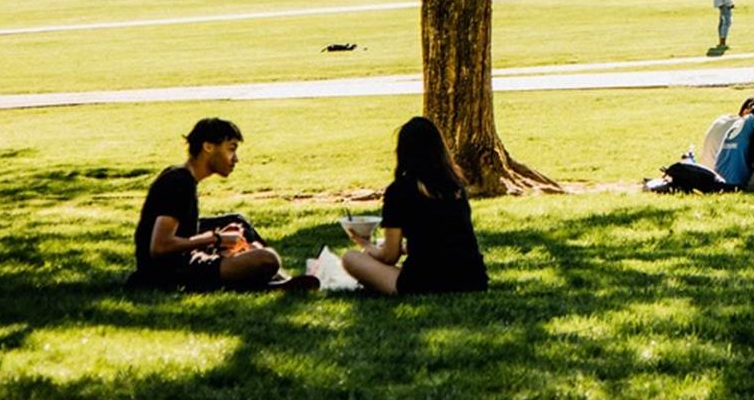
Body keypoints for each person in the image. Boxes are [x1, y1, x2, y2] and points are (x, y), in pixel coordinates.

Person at [129, 118, 314, 291]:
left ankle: (278, 280)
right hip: (168, 273)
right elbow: (159, 247)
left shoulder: (181, 177)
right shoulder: (179, 182)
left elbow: (181, 231)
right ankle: (272, 282)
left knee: (236, 221)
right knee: (268, 259)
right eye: (231, 149)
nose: (235, 159)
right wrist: (215, 239)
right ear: (208, 147)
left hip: (180, 263)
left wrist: (219, 237)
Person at [343, 117, 489, 295]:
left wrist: (366, 245)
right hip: (473, 278)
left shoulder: (399, 191)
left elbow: (389, 256)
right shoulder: (455, 186)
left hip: (426, 281)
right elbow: (445, 236)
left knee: (351, 258)